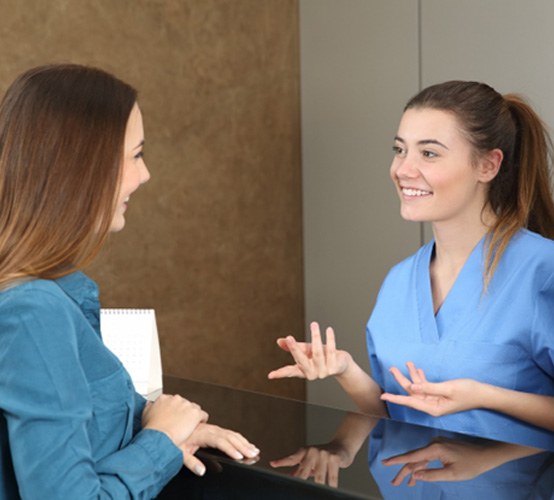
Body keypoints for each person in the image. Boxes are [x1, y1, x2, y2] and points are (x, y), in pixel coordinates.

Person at [0, 64, 259, 499]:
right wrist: (158, 444)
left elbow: (86, 419)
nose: (145, 175)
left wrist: (170, 429)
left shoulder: (57, 294)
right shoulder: (33, 313)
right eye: (136, 155)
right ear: (83, 168)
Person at [268, 80, 554, 450]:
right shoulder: (399, 281)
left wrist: (485, 395)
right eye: (399, 149)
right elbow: (397, 418)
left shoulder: (541, 270)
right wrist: (345, 371)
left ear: (487, 165)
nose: (403, 169)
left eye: (429, 154)